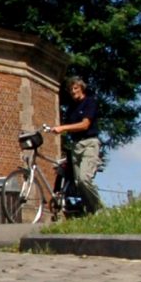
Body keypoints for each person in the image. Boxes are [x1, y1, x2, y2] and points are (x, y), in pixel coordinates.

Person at [51, 75, 102, 216]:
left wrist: (63, 128)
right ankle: (89, 212)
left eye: (76, 88)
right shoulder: (71, 109)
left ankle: (99, 208)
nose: (73, 91)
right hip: (76, 146)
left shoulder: (89, 102)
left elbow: (85, 125)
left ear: (82, 88)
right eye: (71, 89)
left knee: (85, 178)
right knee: (78, 182)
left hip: (89, 143)